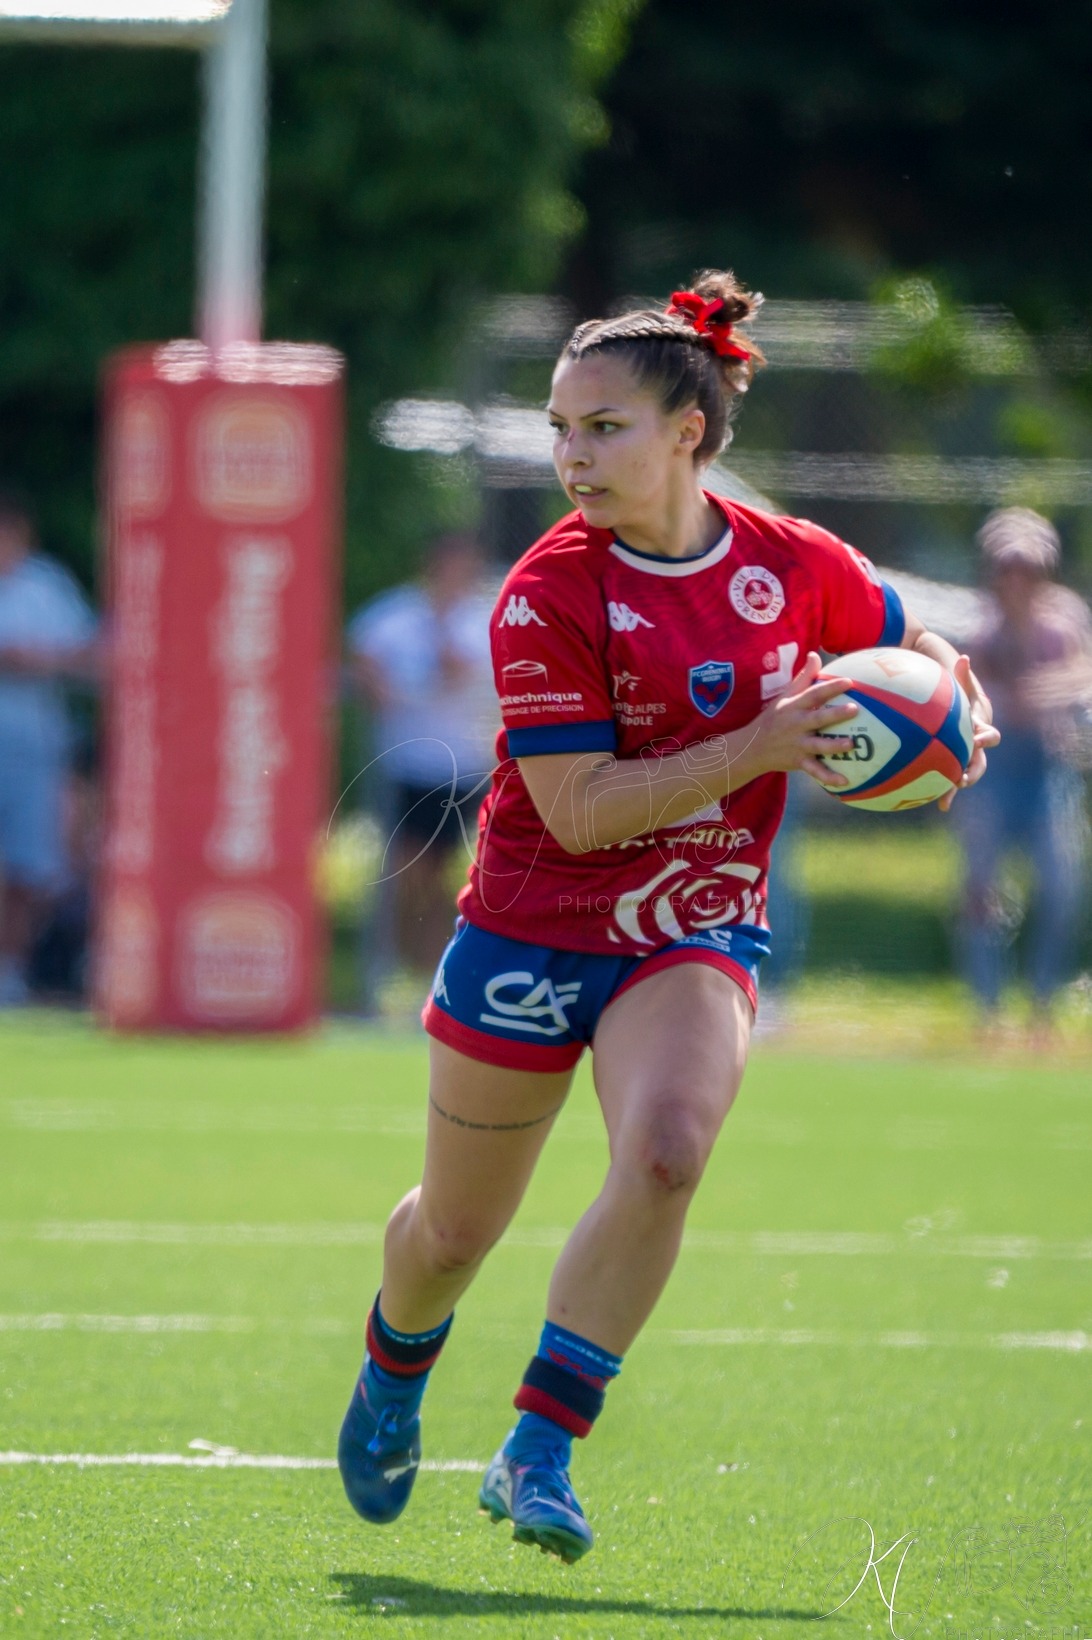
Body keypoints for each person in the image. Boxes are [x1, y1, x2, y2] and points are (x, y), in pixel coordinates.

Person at [336, 271, 999, 1563]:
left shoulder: (793, 561)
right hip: (535, 921)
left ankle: (539, 1445)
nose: (572, 456)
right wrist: (760, 744)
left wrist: (951, 719)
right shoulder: (545, 593)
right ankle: (394, 1363)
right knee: (455, 1232)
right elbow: (581, 812)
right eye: (560, 429)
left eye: (604, 428)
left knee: (668, 1153)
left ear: (688, 432)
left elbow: (919, 649)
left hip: (694, 920)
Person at [956, 507, 1092, 1036]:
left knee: (1060, 890)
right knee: (980, 892)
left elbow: (1079, 678)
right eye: (1006, 568)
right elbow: (974, 691)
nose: (1016, 579)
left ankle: (1042, 1005)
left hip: (1048, 769)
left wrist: (1046, 692)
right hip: (992, 770)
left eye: (1027, 569)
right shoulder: (979, 629)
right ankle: (987, 1009)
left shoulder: (1063, 623)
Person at [346, 533, 497, 993]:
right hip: (407, 763)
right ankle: (397, 963)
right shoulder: (397, 613)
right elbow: (362, 656)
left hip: (464, 766)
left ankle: (433, 968)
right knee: (408, 871)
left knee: (449, 874)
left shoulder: (482, 618)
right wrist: (379, 686)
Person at [0, 488, 98, 1006]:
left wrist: (40, 659)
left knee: (29, 864)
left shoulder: (47, 587)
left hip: (33, 747)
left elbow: (88, 653)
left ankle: (10, 970)